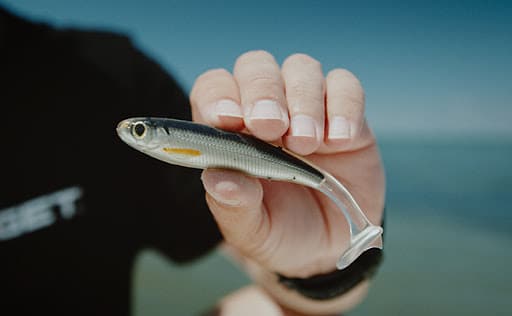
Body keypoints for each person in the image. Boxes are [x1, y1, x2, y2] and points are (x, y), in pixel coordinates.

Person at [0, 5, 385, 316]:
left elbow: (282, 296)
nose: (128, 132)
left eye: (138, 131)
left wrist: (317, 271)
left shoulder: (113, 78)